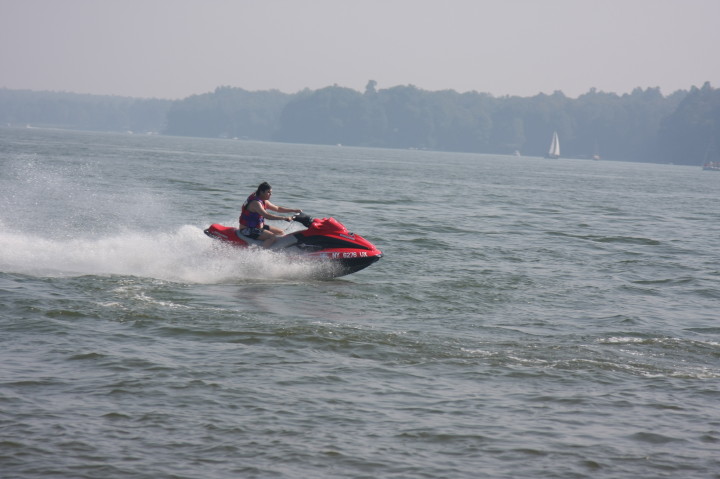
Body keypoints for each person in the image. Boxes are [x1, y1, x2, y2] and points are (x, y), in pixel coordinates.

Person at [239, 182, 302, 248]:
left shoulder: (263, 200)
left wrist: (294, 210)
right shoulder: (255, 203)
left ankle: (279, 248)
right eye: (268, 192)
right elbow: (267, 216)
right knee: (272, 237)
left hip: (258, 227)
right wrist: (284, 218)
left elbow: (278, 208)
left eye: (271, 192)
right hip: (247, 229)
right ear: (261, 192)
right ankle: (261, 253)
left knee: (281, 232)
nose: (270, 194)